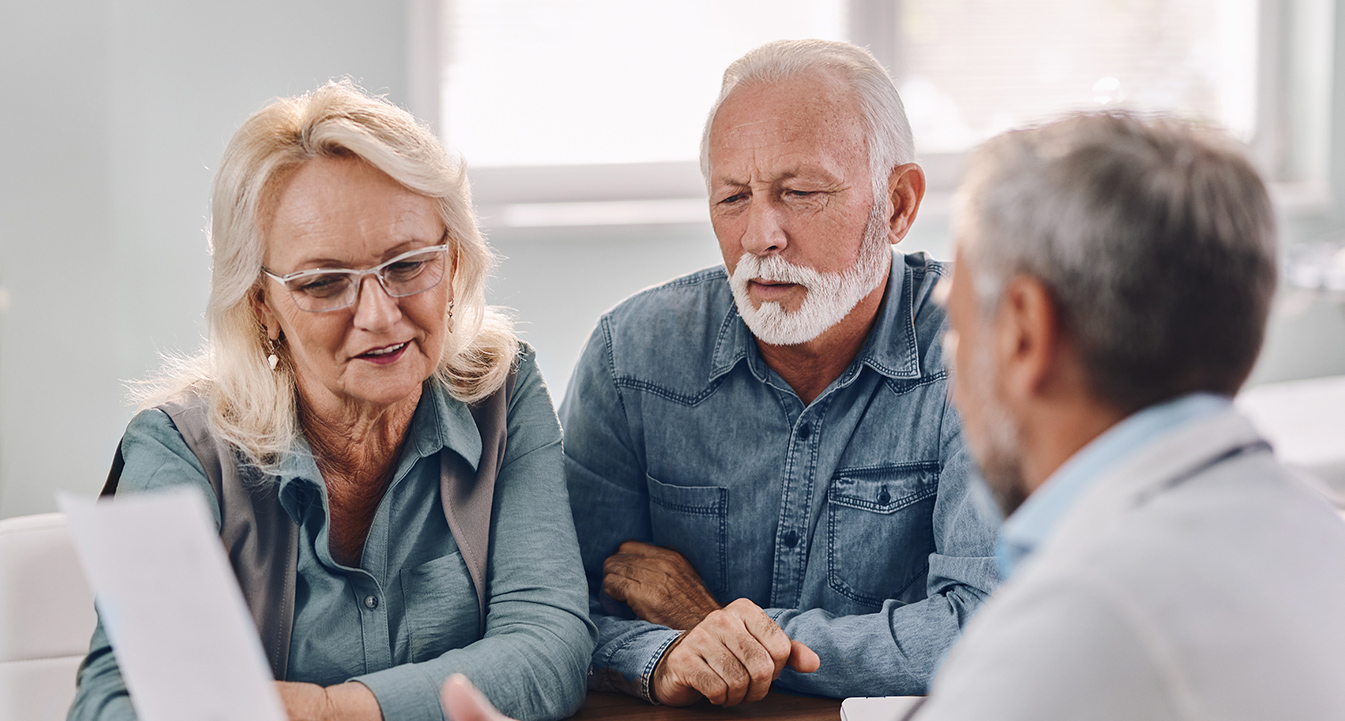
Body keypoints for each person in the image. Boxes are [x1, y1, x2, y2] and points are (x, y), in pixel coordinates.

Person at [68, 81, 596, 721]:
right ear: (262, 305)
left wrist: (326, 711)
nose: (379, 315)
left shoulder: (502, 390)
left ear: (453, 262)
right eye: (324, 283)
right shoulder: (174, 450)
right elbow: (116, 703)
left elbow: (550, 644)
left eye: (407, 265)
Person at [560, 39, 1001, 706]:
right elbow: (554, 615)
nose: (760, 234)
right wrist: (668, 654)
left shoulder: (977, 351)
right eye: (732, 197)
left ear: (899, 204)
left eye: (800, 192)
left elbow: (982, 630)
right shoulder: (632, 356)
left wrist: (706, 624)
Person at [914, 112, 1345, 719]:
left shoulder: (1074, 627)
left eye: (957, 332)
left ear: (1025, 333)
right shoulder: (1318, 529)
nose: (955, 384)